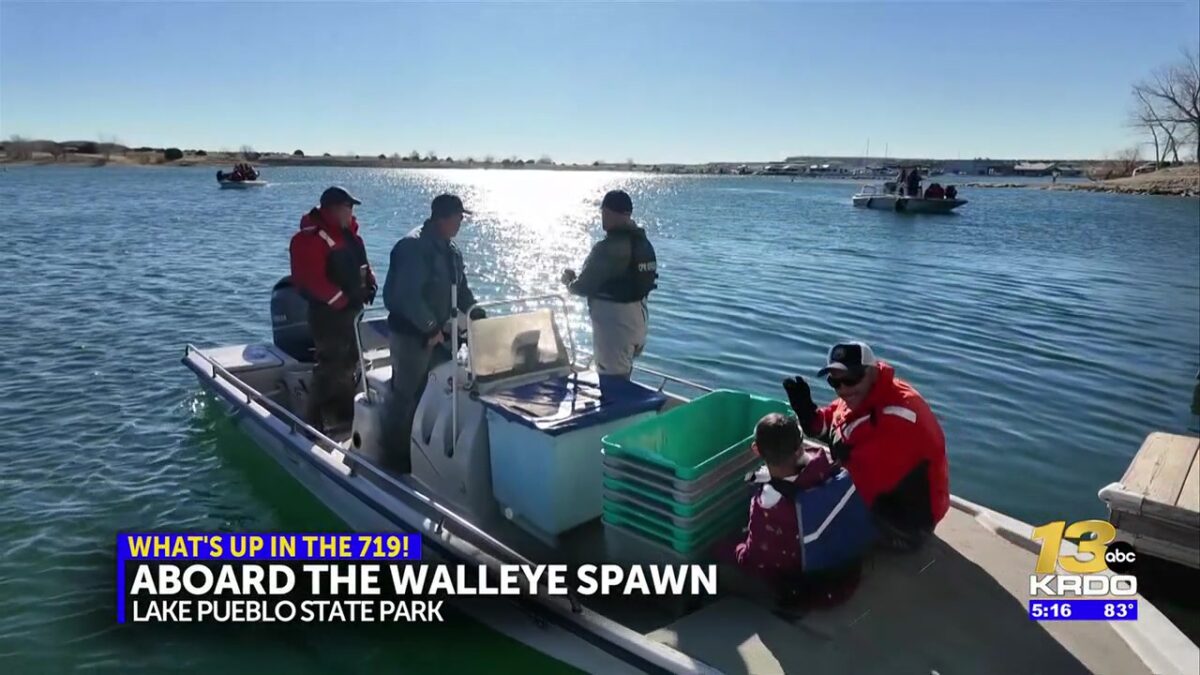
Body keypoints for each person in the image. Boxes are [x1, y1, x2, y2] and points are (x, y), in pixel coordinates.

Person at [782, 342, 949, 550]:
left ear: (871, 371)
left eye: (851, 379)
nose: (843, 389)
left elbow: (853, 480)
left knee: (814, 530)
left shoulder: (900, 417)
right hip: (880, 490)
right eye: (835, 381)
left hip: (907, 523)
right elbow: (834, 426)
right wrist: (807, 414)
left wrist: (792, 487)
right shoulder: (866, 394)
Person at [381, 194, 484, 473]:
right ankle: (393, 461)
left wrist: (478, 316)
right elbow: (405, 296)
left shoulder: (451, 251)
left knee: (436, 392)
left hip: (441, 336)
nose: (461, 223)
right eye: (458, 218)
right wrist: (430, 327)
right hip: (413, 336)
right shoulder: (412, 247)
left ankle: (423, 453)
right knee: (406, 395)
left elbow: (461, 291)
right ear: (443, 217)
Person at [288, 186, 377, 431]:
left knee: (349, 362)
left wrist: (370, 283)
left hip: (352, 310)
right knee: (330, 365)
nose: (351, 212)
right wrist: (340, 300)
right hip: (328, 314)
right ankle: (315, 421)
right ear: (334, 209)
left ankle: (343, 414)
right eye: (348, 207)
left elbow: (362, 264)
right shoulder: (310, 239)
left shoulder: (350, 235)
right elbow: (309, 279)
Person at [560, 190, 657, 379]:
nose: (602, 217)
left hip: (615, 328)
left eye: (604, 212)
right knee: (623, 378)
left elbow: (583, 286)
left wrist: (569, 281)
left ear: (613, 213)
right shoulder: (643, 244)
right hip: (638, 321)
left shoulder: (608, 248)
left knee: (612, 387)